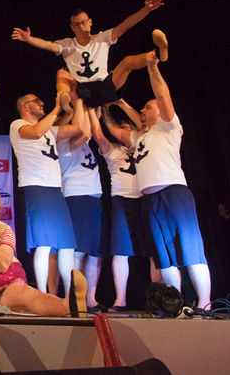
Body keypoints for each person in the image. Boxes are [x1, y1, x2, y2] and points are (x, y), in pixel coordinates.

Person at [109, 52, 212, 310]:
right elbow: (116, 131)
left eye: (147, 107)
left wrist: (152, 67)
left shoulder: (169, 127)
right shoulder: (140, 137)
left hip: (173, 194)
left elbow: (163, 96)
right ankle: (176, 305)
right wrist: (112, 104)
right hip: (150, 200)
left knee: (190, 249)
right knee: (164, 256)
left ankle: (205, 304)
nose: (142, 111)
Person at [11, 0, 167, 107]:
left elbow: (125, 25)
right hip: (84, 90)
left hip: (106, 86)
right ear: (72, 27)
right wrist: (29, 39)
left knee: (127, 62)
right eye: (77, 24)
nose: (81, 26)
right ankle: (64, 103)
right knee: (62, 75)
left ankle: (157, 54)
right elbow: (47, 45)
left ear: (90, 22)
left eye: (84, 22)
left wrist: (146, 9)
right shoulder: (67, 44)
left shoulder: (102, 38)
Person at [88, 106, 161, 311]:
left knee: (154, 251)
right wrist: (96, 113)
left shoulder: (143, 146)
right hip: (122, 201)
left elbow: (145, 127)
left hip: (145, 200)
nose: (124, 135)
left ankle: (160, 300)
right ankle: (120, 300)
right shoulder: (113, 151)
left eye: (128, 131)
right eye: (121, 131)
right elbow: (99, 136)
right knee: (121, 250)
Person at [10, 91, 83, 295]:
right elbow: (34, 133)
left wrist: (75, 104)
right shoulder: (17, 124)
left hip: (55, 189)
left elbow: (77, 129)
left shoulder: (49, 129)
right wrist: (58, 108)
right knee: (44, 242)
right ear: (25, 107)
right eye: (36, 101)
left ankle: (70, 296)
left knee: (66, 244)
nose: (42, 103)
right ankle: (42, 295)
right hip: (37, 187)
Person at [56, 98, 105, 311]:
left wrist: (91, 107)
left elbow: (92, 125)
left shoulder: (82, 143)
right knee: (78, 251)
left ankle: (90, 299)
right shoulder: (62, 145)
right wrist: (79, 101)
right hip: (77, 197)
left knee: (95, 252)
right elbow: (84, 131)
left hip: (93, 198)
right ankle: (73, 297)